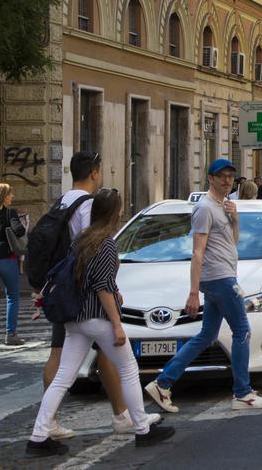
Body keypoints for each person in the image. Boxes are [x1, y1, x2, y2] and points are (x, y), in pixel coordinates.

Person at [27, 190, 172, 456]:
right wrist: (116, 323)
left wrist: (113, 290)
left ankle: (38, 436)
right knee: (128, 367)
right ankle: (142, 429)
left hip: (75, 320)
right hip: (97, 317)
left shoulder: (82, 239)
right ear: (114, 212)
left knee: (63, 378)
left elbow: (90, 278)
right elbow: (102, 285)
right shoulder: (105, 242)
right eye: (119, 209)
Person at [145, 160, 262, 414]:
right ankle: (242, 393)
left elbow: (231, 242)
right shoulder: (204, 208)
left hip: (221, 275)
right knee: (242, 331)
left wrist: (235, 219)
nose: (227, 181)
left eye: (230, 177)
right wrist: (193, 292)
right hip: (220, 278)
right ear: (210, 179)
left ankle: (163, 383)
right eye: (221, 176)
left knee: (207, 336)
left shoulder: (222, 206)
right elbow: (197, 252)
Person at [41, 151, 131, 439]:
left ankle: (118, 414)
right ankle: (122, 416)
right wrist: (112, 289)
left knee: (66, 356)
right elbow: (89, 249)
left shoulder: (62, 201)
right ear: (94, 172)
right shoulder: (87, 205)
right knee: (109, 354)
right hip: (83, 295)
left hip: (64, 288)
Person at [0, 182, 26, 351]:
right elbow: (20, 231)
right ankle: (11, 335)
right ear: (2, 196)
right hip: (6, 260)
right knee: (12, 297)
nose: (12, 196)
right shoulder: (10, 213)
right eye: (9, 194)